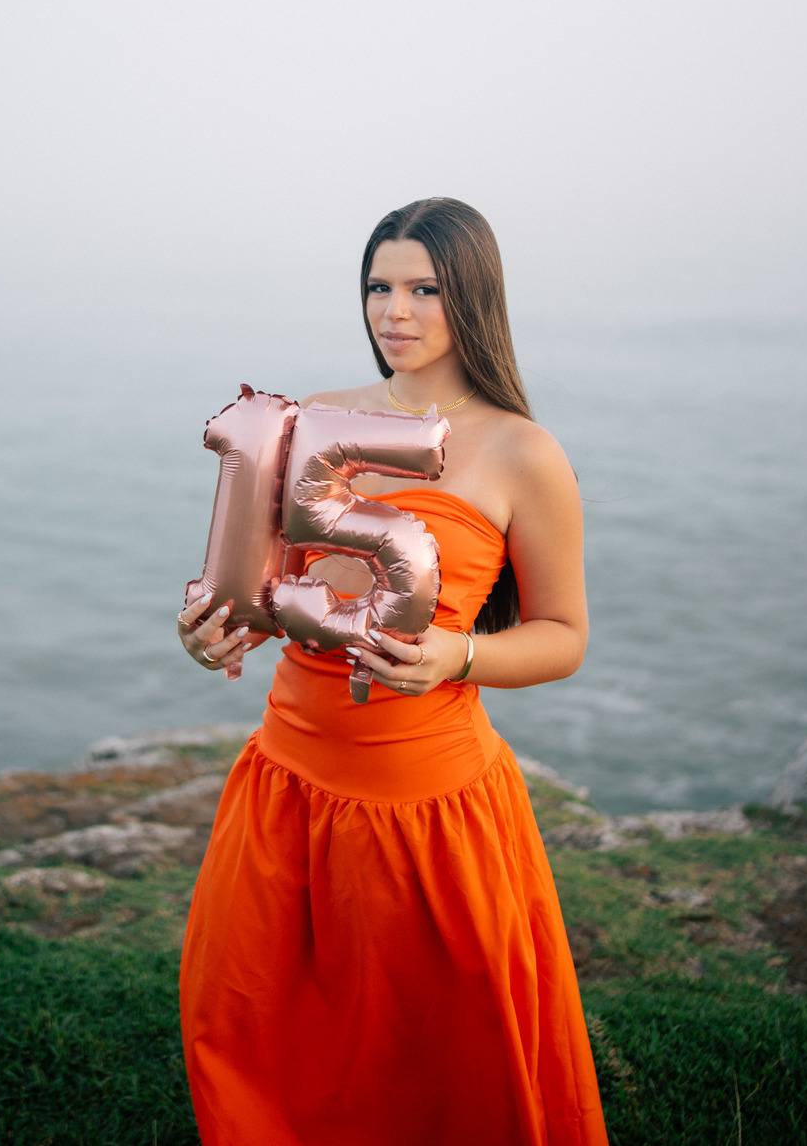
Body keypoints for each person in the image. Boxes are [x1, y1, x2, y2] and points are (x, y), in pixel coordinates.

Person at [177, 197, 608, 1145]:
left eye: (425, 289)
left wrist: (461, 655)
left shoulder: (523, 451)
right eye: (379, 286)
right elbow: (266, 591)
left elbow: (564, 635)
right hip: (287, 784)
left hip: (428, 808)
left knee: (438, 1065)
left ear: (474, 297)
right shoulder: (312, 419)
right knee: (252, 1033)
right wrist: (214, 632)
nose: (394, 311)